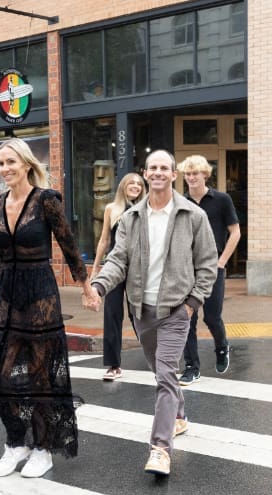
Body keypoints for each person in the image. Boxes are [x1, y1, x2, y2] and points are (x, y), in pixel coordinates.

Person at [86, 150, 217, 476]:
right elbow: (117, 260)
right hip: (141, 311)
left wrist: (191, 305)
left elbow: (207, 264)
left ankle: (160, 448)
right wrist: (99, 286)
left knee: (167, 375)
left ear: (173, 175)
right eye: (153, 168)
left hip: (176, 311)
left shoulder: (193, 216)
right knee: (163, 374)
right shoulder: (131, 219)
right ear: (145, 173)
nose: (158, 173)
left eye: (164, 168)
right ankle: (180, 417)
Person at [0, 138, 98, 479]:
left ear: (27, 164)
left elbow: (69, 244)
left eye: (11, 162)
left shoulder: (46, 201)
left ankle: (43, 448)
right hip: (8, 296)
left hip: (40, 294)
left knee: (41, 377)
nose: (5, 169)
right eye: (1, 163)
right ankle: (16, 442)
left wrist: (86, 287)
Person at [177, 155, 241, 385]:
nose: (191, 177)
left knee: (212, 316)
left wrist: (221, 261)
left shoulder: (222, 200)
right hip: (186, 270)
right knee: (186, 318)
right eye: (188, 173)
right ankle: (192, 367)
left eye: (196, 173)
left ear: (205, 174)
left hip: (213, 269)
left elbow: (235, 232)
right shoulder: (180, 203)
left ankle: (222, 347)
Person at [90, 172, 146, 381]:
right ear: (123, 186)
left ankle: (157, 355)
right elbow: (104, 240)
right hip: (114, 267)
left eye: (139, 184)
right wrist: (96, 269)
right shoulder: (111, 209)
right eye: (131, 183)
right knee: (112, 314)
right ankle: (114, 365)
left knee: (138, 313)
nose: (135, 186)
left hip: (138, 269)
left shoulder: (146, 208)